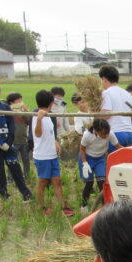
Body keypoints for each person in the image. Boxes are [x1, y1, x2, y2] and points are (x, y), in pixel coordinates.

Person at [33, 89, 73, 217]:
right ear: (51, 102)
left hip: (52, 155)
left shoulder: (50, 116)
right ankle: (41, 207)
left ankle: (63, 206)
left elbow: (49, 134)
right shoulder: (37, 116)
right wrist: (39, 119)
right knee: (43, 182)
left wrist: (55, 142)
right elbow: (38, 134)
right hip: (42, 156)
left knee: (57, 180)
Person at [79, 118, 123, 213]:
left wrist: (129, 152)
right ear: (96, 130)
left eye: (107, 133)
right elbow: (82, 149)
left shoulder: (110, 134)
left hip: (99, 159)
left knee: (102, 182)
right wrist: (85, 163)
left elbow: (118, 146)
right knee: (89, 183)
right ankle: (84, 205)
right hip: (87, 158)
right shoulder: (87, 135)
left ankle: (105, 206)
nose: (106, 135)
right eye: (103, 134)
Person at [100, 65, 132, 147]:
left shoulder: (106, 93)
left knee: (113, 159)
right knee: (125, 159)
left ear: (104, 79)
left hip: (115, 133)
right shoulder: (126, 93)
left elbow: (106, 115)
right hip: (129, 133)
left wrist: (94, 112)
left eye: (102, 80)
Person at [7, 92, 32, 178]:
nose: (21, 102)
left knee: (26, 160)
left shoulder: (24, 111)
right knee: (12, 160)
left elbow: (30, 121)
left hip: (24, 140)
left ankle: (26, 175)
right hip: (13, 141)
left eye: (21, 99)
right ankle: (10, 177)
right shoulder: (8, 112)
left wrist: (25, 112)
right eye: (18, 100)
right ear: (11, 103)